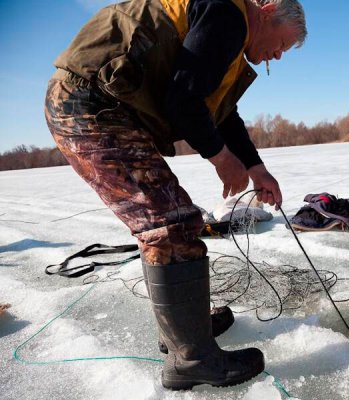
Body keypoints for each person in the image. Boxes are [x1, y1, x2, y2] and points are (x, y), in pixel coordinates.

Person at [44, 0, 306, 390]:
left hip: (101, 104)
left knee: (170, 223)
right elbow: (183, 98)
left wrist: (255, 167)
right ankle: (193, 359)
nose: (279, 56)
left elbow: (221, 112)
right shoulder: (227, 14)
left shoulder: (229, 35)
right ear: (266, 10)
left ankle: (185, 331)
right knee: (172, 225)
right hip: (88, 104)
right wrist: (221, 157)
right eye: (282, 44)